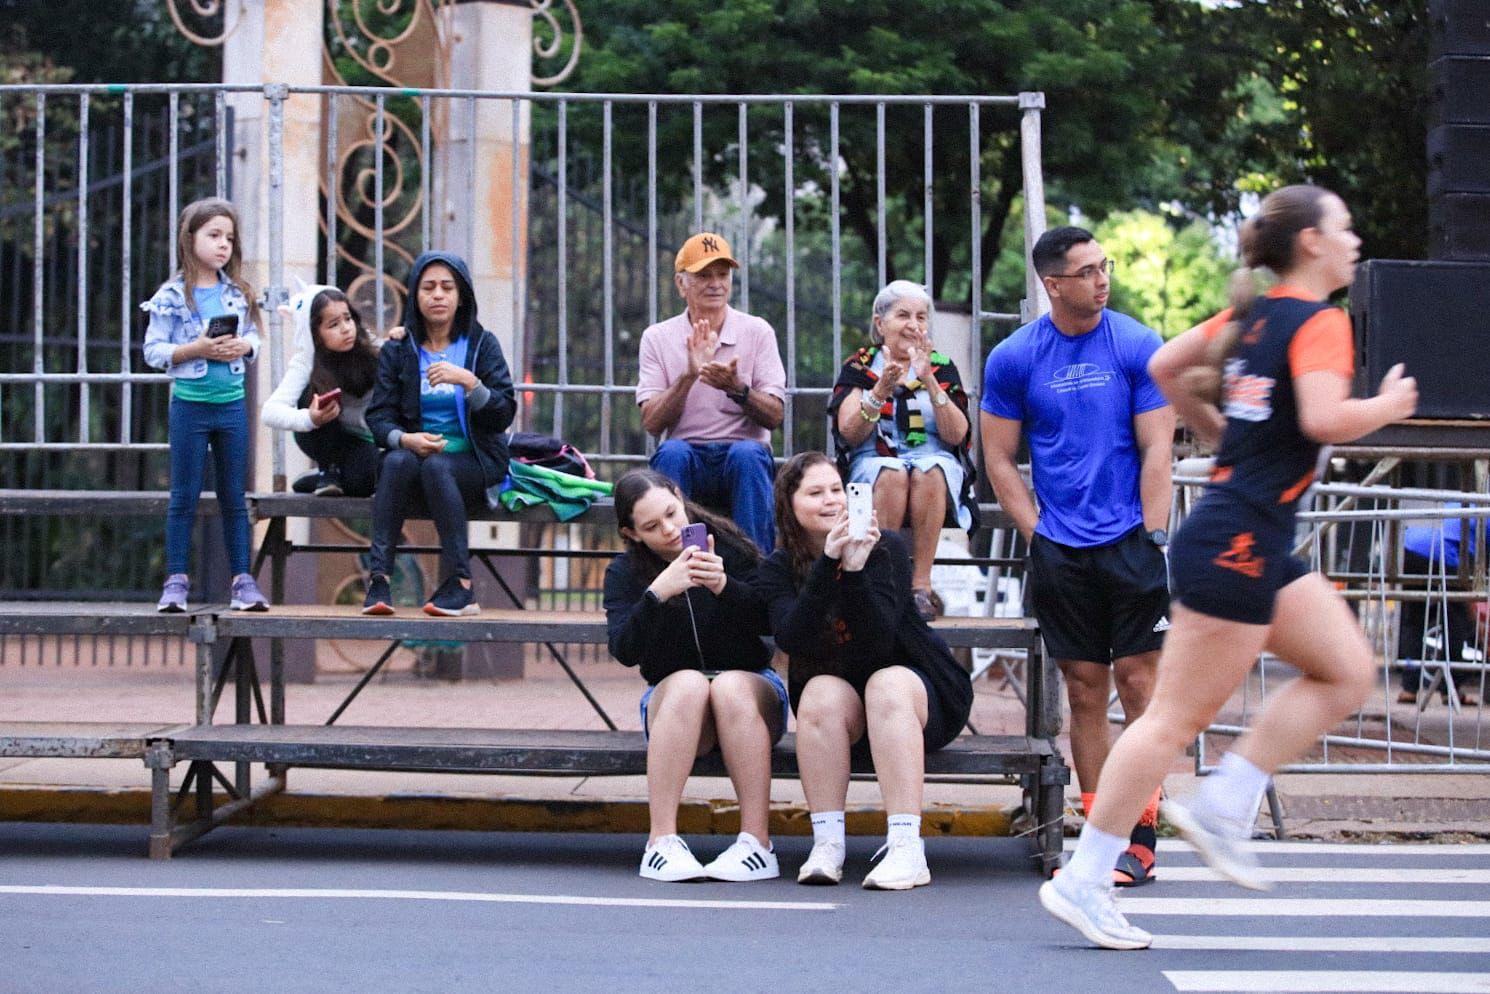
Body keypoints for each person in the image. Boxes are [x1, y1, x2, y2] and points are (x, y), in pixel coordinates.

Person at [1041, 184, 1418, 950]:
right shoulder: (1319, 321)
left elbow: (1170, 363)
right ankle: (1085, 876)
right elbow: (1319, 418)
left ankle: (1225, 800)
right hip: (1237, 538)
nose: (1353, 240)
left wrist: (1222, 436)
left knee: (1346, 671)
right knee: (1172, 720)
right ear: (1310, 242)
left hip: (1251, 536)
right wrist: (1385, 407)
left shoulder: (1254, 316)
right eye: (1343, 227)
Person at [981, 226, 1176, 887]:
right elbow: (999, 458)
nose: (1102, 279)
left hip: (1130, 543)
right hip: (1061, 549)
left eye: (1105, 266)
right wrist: (1037, 532)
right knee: (1086, 694)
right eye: (1087, 270)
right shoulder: (1013, 358)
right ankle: (1101, 836)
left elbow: (1158, 448)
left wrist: (1154, 534)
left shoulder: (1135, 344)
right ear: (1053, 283)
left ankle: (1141, 838)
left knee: (1140, 688)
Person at [755, 452, 973, 889]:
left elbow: (879, 644)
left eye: (838, 489)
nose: (832, 500)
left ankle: (907, 849)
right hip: (847, 710)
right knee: (817, 691)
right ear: (790, 507)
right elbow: (792, 639)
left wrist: (853, 571)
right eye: (815, 493)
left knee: (885, 683)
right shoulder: (779, 568)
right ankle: (828, 845)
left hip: (916, 693)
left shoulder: (886, 548)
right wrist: (828, 566)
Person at [603, 469, 787, 882]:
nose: (670, 530)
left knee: (728, 686)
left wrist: (725, 586)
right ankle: (661, 842)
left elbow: (771, 621)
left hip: (750, 694)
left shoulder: (732, 547)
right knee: (688, 682)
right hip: (679, 708)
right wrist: (658, 593)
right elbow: (624, 650)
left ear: (679, 496)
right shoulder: (624, 573)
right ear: (631, 534)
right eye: (652, 526)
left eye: (672, 513)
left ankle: (757, 842)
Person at [363, 251, 516, 617]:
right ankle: (379, 579)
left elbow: (504, 412)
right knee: (397, 461)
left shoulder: (482, 344)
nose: (438, 295)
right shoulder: (400, 348)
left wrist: (469, 381)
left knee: (438, 468)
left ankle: (461, 586)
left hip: (474, 461)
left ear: (461, 295)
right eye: (428, 287)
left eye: (447, 287)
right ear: (415, 295)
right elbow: (378, 416)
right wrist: (406, 438)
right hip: (414, 461)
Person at [142, 197, 268, 613]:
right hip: (190, 408)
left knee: (235, 496)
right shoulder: (172, 296)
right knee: (184, 496)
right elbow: (153, 351)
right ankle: (175, 582)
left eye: (229, 238)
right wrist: (194, 348)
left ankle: (243, 582)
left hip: (231, 408)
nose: (223, 245)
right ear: (189, 237)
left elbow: (255, 339)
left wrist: (242, 345)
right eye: (214, 235)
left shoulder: (237, 293)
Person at [827, 280, 977, 621]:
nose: (914, 325)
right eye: (903, 315)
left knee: (931, 469)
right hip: (873, 461)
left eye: (921, 317)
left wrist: (929, 381)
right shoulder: (860, 365)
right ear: (880, 324)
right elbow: (849, 433)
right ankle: (882, 583)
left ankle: (921, 586)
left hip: (932, 461)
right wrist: (879, 390)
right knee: (892, 472)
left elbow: (957, 434)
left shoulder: (940, 365)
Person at [636, 232, 788, 552]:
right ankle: (685, 562)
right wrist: (689, 376)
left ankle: (753, 571)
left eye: (723, 274)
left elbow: (775, 415)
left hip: (741, 456)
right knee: (672, 453)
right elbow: (651, 423)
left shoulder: (757, 331)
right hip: (689, 455)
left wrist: (738, 389)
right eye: (703, 275)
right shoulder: (657, 337)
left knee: (749, 454)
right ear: (681, 285)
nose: (715, 283)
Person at [260, 285, 383, 498]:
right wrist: (310, 418)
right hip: (326, 436)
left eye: (347, 318)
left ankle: (320, 479)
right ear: (315, 333)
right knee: (309, 392)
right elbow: (269, 412)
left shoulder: (367, 345)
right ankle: (328, 470)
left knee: (364, 484)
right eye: (333, 324)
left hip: (365, 439)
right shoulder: (305, 360)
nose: (346, 328)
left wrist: (401, 340)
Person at [1397, 505, 1480, 705]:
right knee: (1456, 621)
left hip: (1412, 548)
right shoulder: (1483, 511)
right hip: (1446, 554)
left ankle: (1409, 689)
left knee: (1414, 618)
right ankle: (1450, 689)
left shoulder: (1463, 500)